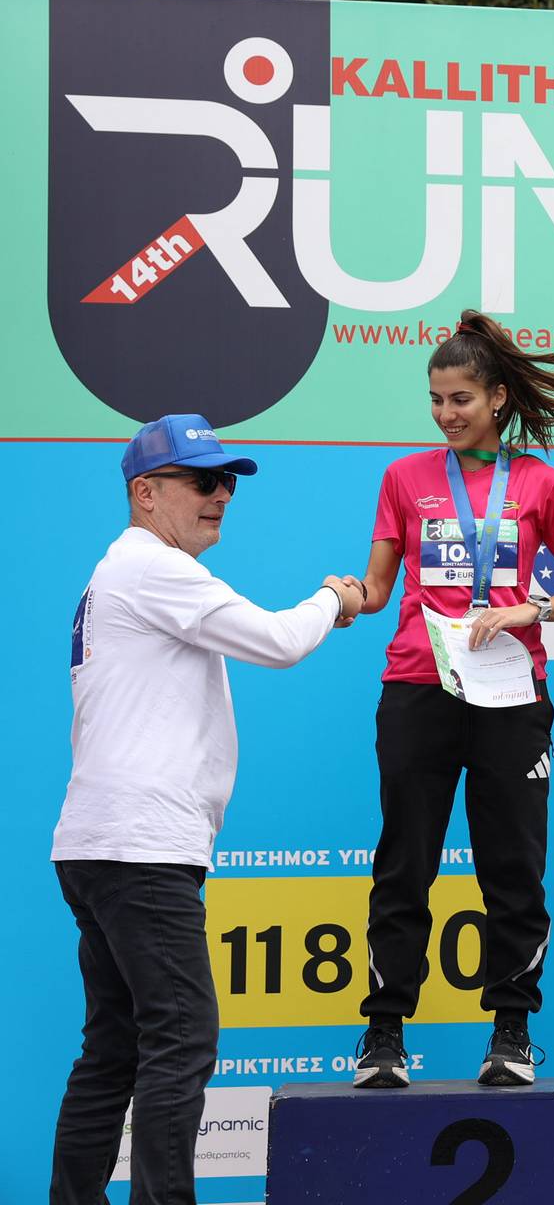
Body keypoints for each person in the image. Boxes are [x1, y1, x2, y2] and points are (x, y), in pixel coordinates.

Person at [53, 414, 362, 1205]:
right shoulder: (154, 568)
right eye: (201, 480)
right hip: (140, 847)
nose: (220, 494)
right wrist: (334, 596)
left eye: (226, 481)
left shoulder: (125, 571)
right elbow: (280, 641)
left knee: (115, 1049)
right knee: (181, 1037)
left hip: (102, 842)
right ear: (146, 494)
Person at [350, 311, 554, 1089]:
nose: (446, 414)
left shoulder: (542, 484)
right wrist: (341, 598)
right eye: (435, 399)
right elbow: (378, 588)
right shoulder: (403, 478)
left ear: (496, 397)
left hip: (511, 695)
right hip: (417, 688)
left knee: (513, 870)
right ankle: (384, 1036)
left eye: (460, 398)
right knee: (404, 866)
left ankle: (511, 1032)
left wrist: (532, 608)